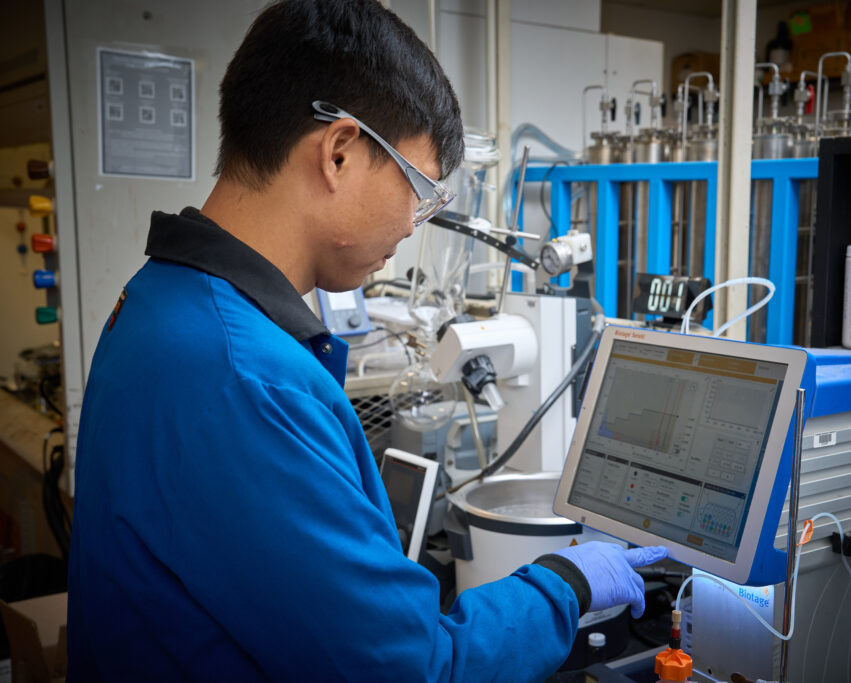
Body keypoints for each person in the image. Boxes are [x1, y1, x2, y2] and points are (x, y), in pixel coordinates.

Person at [66, 1, 668, 680]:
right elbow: (415, 669)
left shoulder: (157, 300)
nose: (414, 224)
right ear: (341, 151)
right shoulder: (247, 379)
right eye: (418, 189)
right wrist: (567, 581)